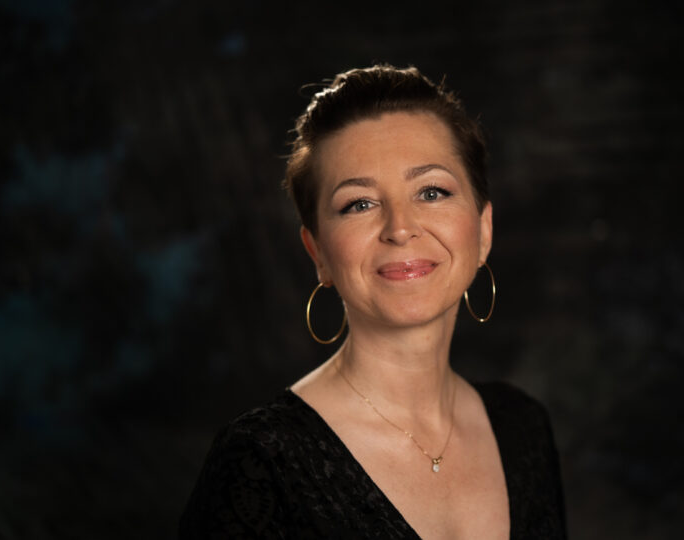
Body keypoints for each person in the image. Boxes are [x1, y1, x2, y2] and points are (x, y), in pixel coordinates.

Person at [180, 65, 566, 539]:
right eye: (359, 204)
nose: (400, 228)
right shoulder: (258, 462)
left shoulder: (524, 428)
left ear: (483, 231)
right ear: (318, 253)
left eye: (431, 192)